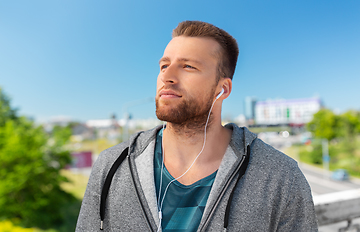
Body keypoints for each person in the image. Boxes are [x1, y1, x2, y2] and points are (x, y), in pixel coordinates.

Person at [76, 21, 318, 231]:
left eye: (188, 66)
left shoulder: (280, 177)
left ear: (222, 89)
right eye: (164, 65)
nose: (167, 76)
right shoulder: (111, 167)